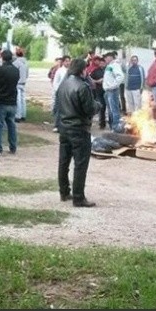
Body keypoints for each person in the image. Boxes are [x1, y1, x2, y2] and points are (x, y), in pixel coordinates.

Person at [56, 58, 101, 207]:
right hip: (79, 128)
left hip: (64, 127)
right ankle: (78, 197)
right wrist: (98, 106)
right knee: (80, 164)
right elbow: (89, 109)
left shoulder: (63, 84)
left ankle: (64, 192)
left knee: (64, 162)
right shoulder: (82, 86)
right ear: (82, 70)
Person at [0, 49, 20, 155]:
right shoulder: (16, 70)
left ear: (2, 58)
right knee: (11, 125)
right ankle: (13, 147)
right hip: (12, 100)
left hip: (0, 100)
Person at [101, 52, 124, 131]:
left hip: (112, 91)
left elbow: (120, 76)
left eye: (106, 57)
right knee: (110, 110)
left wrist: (112, 86)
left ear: (111, 57)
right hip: (108, 91)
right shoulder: (109, 66)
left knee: (114, 109)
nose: (105, 59)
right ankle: (113, 126)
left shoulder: (115, 65)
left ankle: (116, 127)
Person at [12, 46, 29, 122]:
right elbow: (27, 74)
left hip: (17, 82)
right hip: (23, 82)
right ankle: (23, 115)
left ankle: (17, 115)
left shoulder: (16, 63)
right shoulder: (26, 63)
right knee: (23, 99)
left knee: (17, 100)